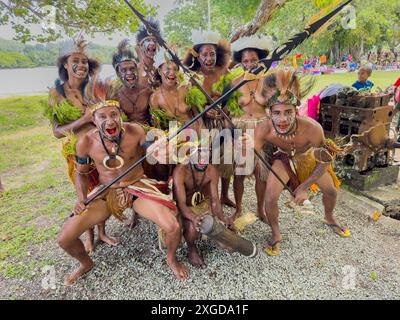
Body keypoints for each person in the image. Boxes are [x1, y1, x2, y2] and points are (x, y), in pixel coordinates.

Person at [57, 80, 188, 284]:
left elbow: (153, 150)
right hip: (106, 192)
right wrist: (81, 198)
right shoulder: (86, 142)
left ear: (120, 115)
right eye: (103, 116)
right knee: (64, 238)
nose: (110, 122)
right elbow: (81, 173)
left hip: (137, 187)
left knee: (173, 227)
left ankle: (171, 258)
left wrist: (160, 150)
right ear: (93, 119)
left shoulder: (135, 131)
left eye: (113, 115)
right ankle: (85, 263)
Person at [253, 69, 349, 256]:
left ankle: (329, 216)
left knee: (330, 191)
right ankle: (275, 233)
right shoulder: (263, 129)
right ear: (269, 113)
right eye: (277, 113)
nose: (282, 119)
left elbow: (325, 161)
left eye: (288, 112)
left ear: (296, 111)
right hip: (283, 158)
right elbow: (251, 152)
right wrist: (245, 147)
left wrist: (305, 186)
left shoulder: (313, 129)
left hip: (310, 157)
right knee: (270, 198)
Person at [46, 31, 118, 253]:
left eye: (84, 61)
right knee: (85, 193)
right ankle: (89, 237)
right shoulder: (57, 94)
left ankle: (103, 231)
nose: (80, 65)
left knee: (103, 189)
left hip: (100, 148)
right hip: (76, 152)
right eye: (75, 61)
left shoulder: (93, 88)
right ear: (65, 65)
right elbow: (57, 132)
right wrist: (84, 119)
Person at [183, 29, 235, 208]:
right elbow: (190, 103)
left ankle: (225, 195)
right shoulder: (193, 76)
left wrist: (225, 111)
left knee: (226, 159)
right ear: (198, 57)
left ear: (217, 55)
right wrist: (203, 110)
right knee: (207, 160)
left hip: (222, 121)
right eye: (205, 54)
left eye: (212, 54)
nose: (209, 58)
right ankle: (207, 196)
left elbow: (231, 97)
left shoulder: (224, 72)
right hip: (203, 124)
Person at [230, 35, 274, 222]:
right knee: (240, 173)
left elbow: (276, 107)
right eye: (246, 61)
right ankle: (239, 208)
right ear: (241, 62)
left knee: (261, 174)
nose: (249, 64)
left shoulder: (268, 82)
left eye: (253, 60)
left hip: (262, 130)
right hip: (241, 129)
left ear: (260, 61)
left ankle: (260, 208)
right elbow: (227, 110)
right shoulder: (235, 83)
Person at [173, 144, 229, 268]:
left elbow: (215, 200)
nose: (201, 156)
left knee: (225, 241)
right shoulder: (180, 171)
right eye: (197, 152)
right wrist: (193, 217)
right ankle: (191, 248)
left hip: (199, 204)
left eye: (205, 152)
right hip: (183, 207)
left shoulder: (212, 171)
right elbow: (180, 204)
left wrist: (222, 219)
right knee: (193, 228)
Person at [112, 38, 152, 125]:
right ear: (118, 74)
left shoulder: (147, 92)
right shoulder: (115, 96)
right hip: (128, 134)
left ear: (137, 71)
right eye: (124, 70)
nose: (129, 73)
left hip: (150, 133)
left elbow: (157, 117)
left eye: (132, 69)